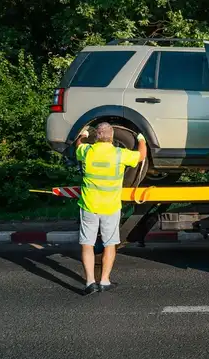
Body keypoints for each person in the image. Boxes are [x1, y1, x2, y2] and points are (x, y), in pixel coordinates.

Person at [73, 122, 146, 295]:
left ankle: (90, 282)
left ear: (96, 136)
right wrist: (141, 138)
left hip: (89, 205)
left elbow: (78, 145)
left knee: (87, 245)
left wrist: (82, 135)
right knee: (110, 244)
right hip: (111, 207)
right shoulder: (119, 154)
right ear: (112, 137)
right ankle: (104, 281)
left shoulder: (87, 151)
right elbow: (141, 156)